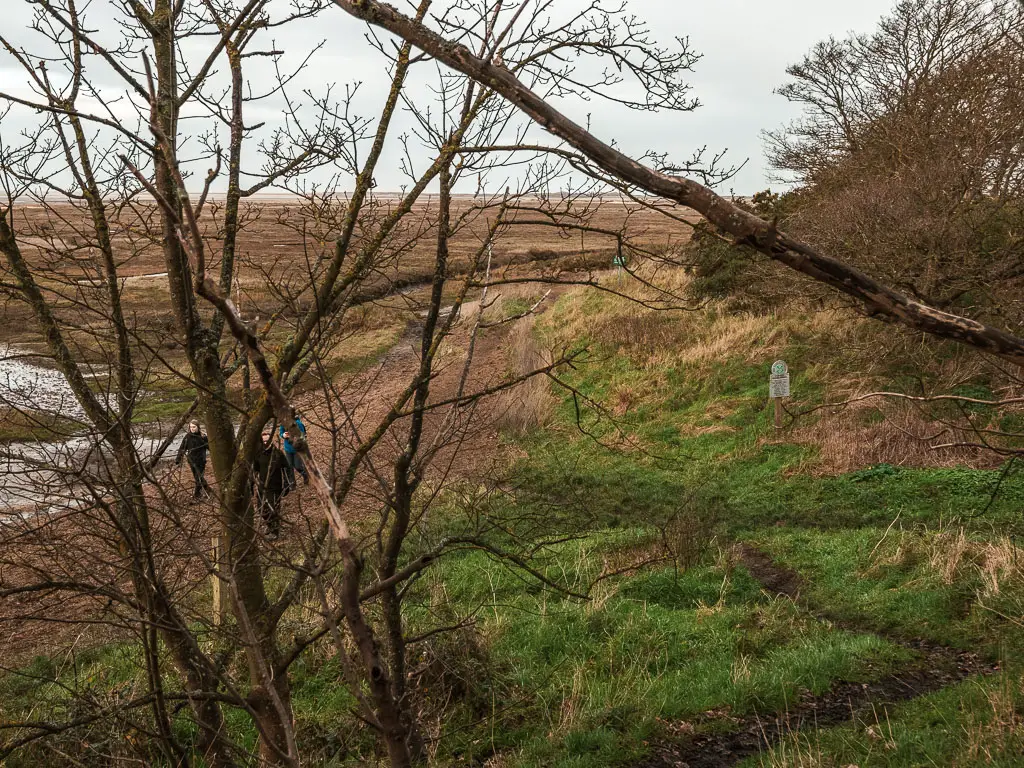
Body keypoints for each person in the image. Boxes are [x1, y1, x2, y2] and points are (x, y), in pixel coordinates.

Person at [252, 428, 289, 538]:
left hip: (275, 486)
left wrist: (287, 483)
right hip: (262, 486)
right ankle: (269, 525)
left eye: (268, 440)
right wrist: (252, 484)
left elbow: (286, 468)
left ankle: (275, 531)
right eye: (263, 441)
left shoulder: (278, 454)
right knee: (261, 508)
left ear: (271, 440)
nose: (266, 443)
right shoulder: (258, 454)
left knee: (273, 509)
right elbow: (255, 470)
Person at [176, 420, 212, 500]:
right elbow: (182, 448)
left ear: (198, 427)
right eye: (191, 427)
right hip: (191, 461)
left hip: (201, 461)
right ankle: (207, 488)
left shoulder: (203, 437)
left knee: (198, 477)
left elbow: (210, 448)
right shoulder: (187, 437)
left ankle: (197, 495)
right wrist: (178, 459)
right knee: (197, 477)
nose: (192, 428)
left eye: (194, 427)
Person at [279, 410, 310, 488]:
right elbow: (281, 433)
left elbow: (303, 436)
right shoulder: (284, 423)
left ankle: (306, 475)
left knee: (297, 466)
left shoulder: (299, 424)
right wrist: (283, 435)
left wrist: (294, 436)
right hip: (288, 448)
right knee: (289, 467)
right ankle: (292, 484)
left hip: (297, 449)